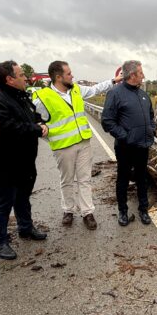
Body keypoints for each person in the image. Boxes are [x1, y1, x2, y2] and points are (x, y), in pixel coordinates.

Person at [33, 61, 121, 230]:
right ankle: (68, 210)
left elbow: (95, 89)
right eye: (69, 73)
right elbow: (37, 124)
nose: (72, 76)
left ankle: (87, 212)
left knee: (84, 179)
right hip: (63, 147)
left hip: (83, 142)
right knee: (67, 180)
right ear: (58, 77)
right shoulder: (43, 97)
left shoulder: (76, 89)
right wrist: (52, 139)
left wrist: (113, 80)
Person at [0, 61, 48, 260]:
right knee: (3, 202)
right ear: (9, 79)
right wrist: (36, 129)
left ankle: (26, 228)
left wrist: (39, 122)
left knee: (23, 197)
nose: (25, 78)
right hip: (4, 162)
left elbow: (31, 116)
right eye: (21, 75)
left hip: (25, 160)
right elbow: (10, 127)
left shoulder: (20, 96)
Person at [101, 60, 156, 226]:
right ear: (132, 75)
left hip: (143, 146)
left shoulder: (144, 95)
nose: (143, 76)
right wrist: (125, 136)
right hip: (125, 147)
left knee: (142, 178)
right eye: (141, 73)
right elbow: (107, 121)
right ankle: (123, 211)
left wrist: (151, 129)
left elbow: (151, 116)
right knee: (123, 179)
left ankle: (143, 210)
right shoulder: (115, 94)